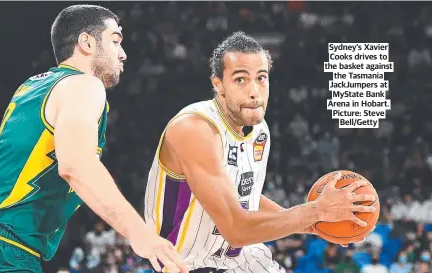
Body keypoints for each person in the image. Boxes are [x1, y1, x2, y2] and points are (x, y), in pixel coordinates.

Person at [0, 5, 187, 273]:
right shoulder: (83, 85)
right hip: (1, 253)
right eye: (115, 41)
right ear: (86, 43)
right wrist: (141, 234)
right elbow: (76, 166)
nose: (123, 53)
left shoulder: (33, 87)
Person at [144, 31, 376, 272]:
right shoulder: (194, 128)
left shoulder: (259, 131)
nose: (254, 91)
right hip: (185, 265)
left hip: (240, 260)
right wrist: (314, 211)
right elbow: (236, 229)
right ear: (218, 84)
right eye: (240, 80)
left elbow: (244, 198)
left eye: (261, 78)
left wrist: (314, 224)